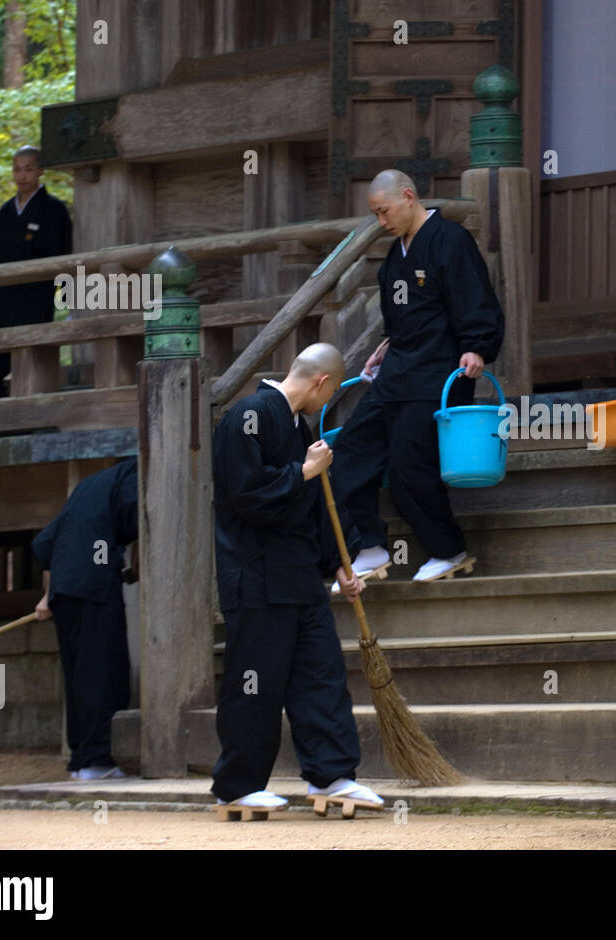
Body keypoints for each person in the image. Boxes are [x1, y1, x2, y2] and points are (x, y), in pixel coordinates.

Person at [210, 342, 381, 813]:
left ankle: (331, 776)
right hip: (257, 576)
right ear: (321, 382)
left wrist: (341, 565)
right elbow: (246, 494)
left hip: (301, 577)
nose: (326, 407)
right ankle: (237, 786)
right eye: (329, 396)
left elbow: (316, 507)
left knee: (320, 676)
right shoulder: (246, 416)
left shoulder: (297, 426)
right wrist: (303, 469)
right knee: (256, 682)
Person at [330, 168, 505, 584]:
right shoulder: (396, 255)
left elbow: (476, 298)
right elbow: (403, 319)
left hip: (440, 369)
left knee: (410, 462)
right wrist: (385, 346)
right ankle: (370, 547)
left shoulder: (450, 241)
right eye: (375, 214)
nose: (381, 222)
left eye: (384, 211)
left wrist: (478, 346)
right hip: (398, 369)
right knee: (350, 450)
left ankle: (449, 550)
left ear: (408, 196)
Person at [31, 457, 138, 780]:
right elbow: (145, 515)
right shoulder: (136, 473)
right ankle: (96, 759)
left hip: (65, 589)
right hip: (93, 583)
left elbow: (45, 543)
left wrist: (47, 595)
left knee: (79, 673)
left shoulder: (90, 486)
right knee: (102, 669)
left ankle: (81, 759)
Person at [0, 145, 73, 399]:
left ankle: (31, 427)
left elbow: (64, 257)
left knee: (30, 363)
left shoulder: (54, 210)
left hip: (34, 299)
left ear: (40, 170)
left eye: (28, 169)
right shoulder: (5, 213)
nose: (22, 175)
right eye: (17, 169)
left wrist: (69, 297)